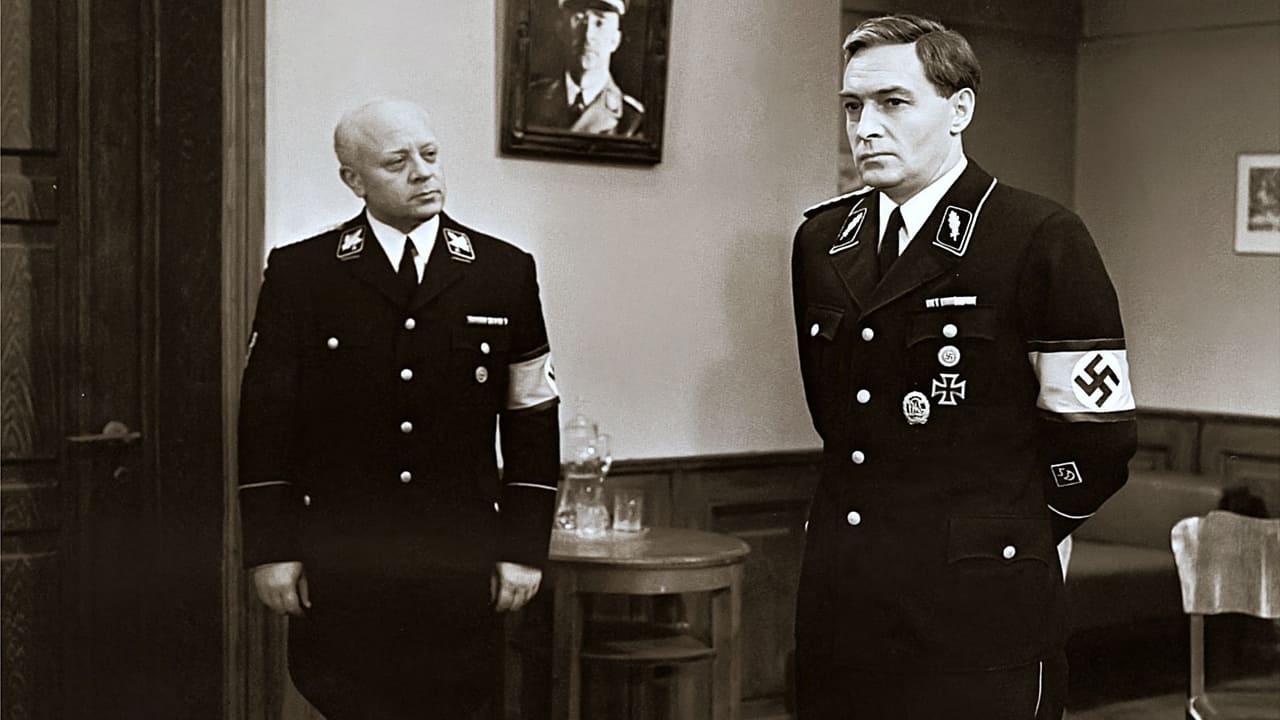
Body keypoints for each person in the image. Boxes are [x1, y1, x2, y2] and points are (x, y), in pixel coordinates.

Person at [790, 14, 1136, 719]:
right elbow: (839, 418)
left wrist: (1014, 532)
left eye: (893, 102)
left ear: (959, 110)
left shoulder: (1037, 237)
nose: (865, 128)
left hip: (979, 609)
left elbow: (1099, 439)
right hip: (845, 600)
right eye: (853, 107)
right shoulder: (823, 242)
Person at [238, 97, 561, 719]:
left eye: (430, 154)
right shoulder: (302, 273)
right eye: (397, 162)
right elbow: (265, 418)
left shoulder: (503, 272)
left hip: (459, 561)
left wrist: (523, 548)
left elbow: (531, 416)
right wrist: (271, 548)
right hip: (343, 558)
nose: (423, 172)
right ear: (353, 180)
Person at [525, 0, 644, 136]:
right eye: (578, 20)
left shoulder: (633, 122)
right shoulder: (530, 101)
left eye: (600, 23)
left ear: (615, 40)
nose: (588, 35)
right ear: (561, 30)